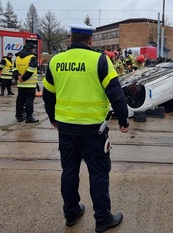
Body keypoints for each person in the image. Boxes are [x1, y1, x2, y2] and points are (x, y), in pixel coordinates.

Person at [42, 24, 129, 233]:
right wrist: (123, 119)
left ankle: (71, 212)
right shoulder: (100, 60)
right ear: (90, 40)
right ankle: (102, 218)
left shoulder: (56, 61)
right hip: (93, 131)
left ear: (70, 38)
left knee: (69, 171)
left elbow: (47, 94)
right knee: (99, 173)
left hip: (66, 130)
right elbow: (115, 93)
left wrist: (53, 118)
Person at [12, 44, 39, 123]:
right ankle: (29, 117)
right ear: (31, 49)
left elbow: (14, 69)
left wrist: (18, 77)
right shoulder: (32, 57)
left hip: (20, 84)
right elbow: (31, 69)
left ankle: (19, 116)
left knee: (20, 100)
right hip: (30, 84)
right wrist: (23, 78)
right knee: (29, 101)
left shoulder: (17, 58)